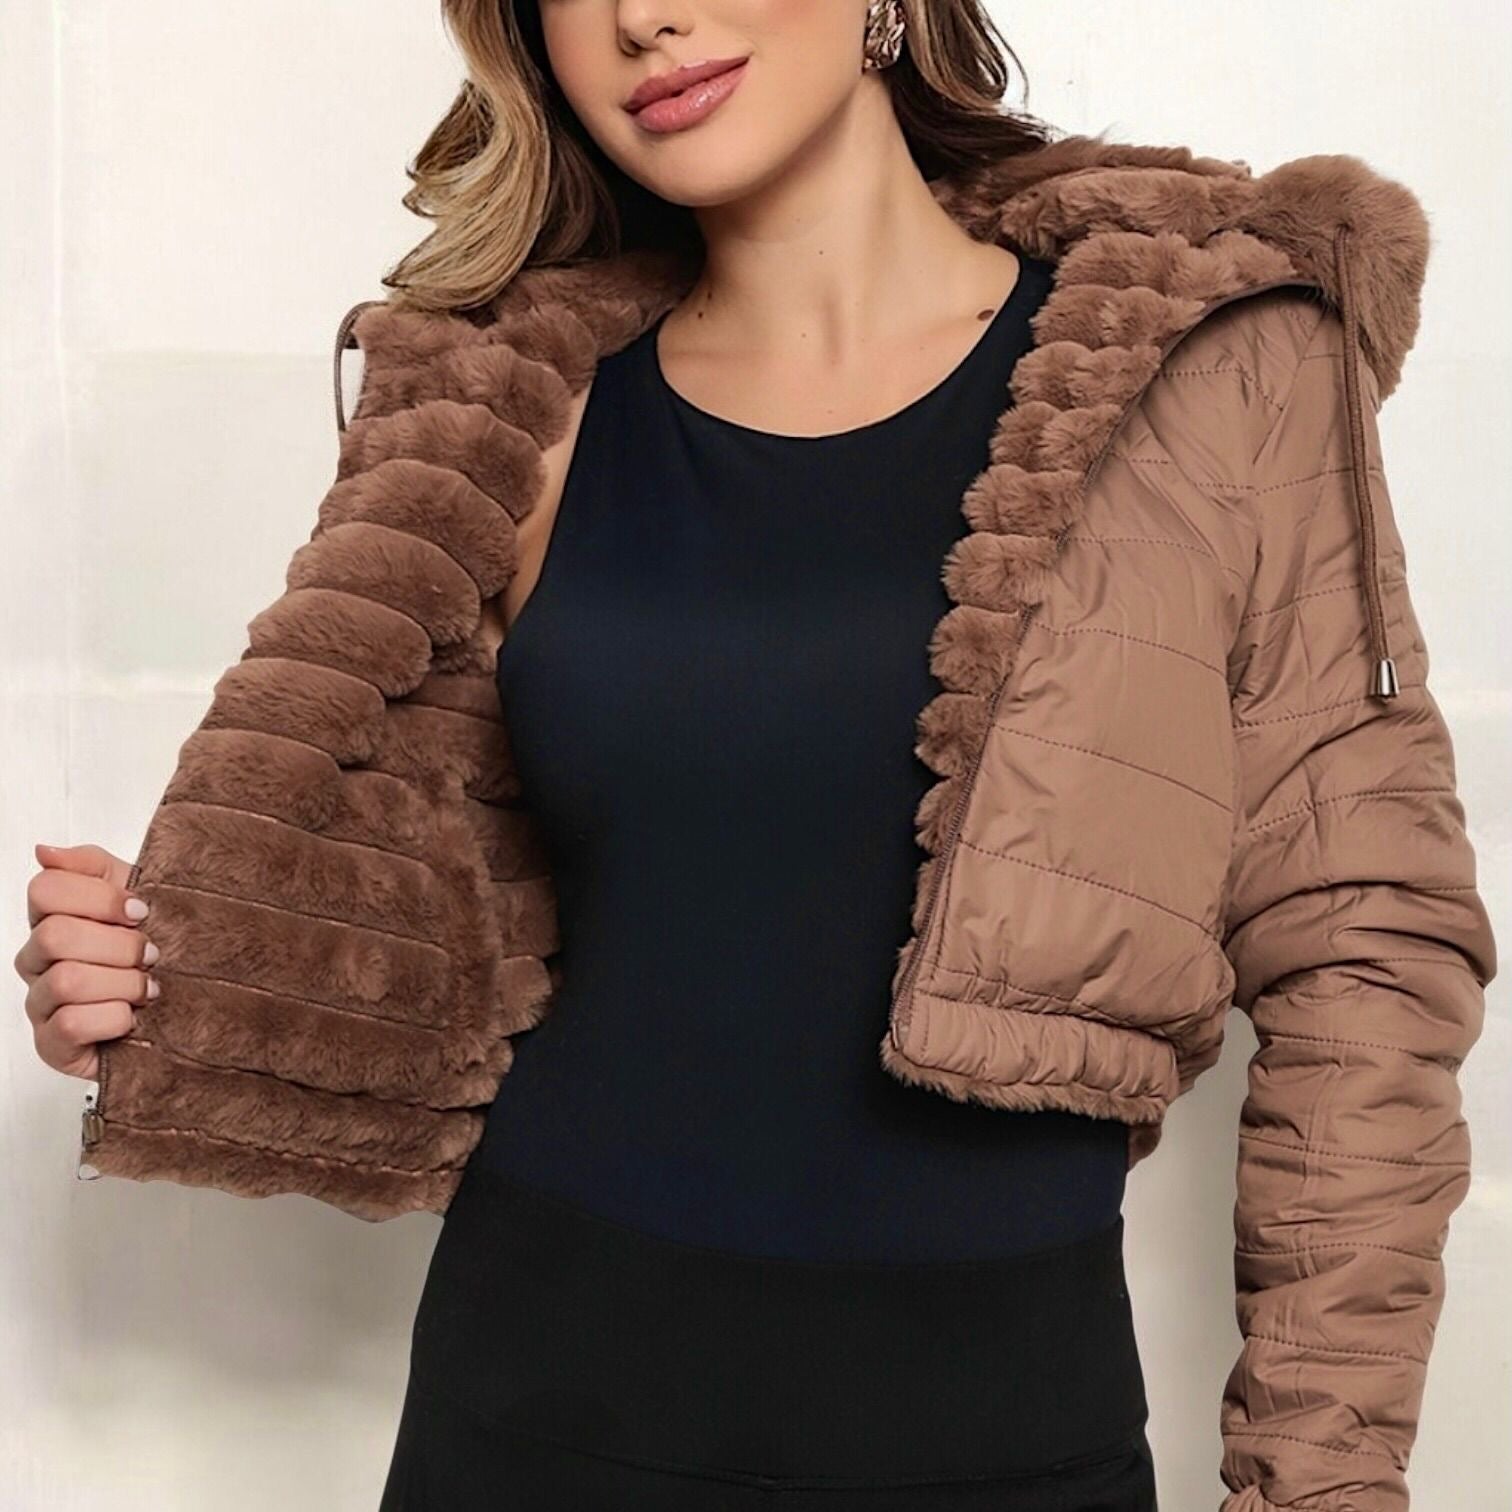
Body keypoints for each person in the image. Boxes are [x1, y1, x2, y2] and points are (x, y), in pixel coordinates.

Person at [15, 3, 1495, 1509]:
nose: (641, 17)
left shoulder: (1213, 368)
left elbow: (1364, 954)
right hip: (534, 1419)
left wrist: (1321, 1481)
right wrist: (167, 975)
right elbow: (440, 929)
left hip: (999, 1442)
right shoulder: (509, 412)